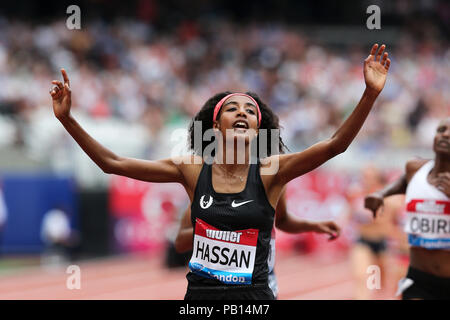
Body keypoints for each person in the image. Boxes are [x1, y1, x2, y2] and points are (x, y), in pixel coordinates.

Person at [50, 43, 390, 300]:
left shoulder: (272, 172)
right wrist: (68, 120)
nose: (242, 113)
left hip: (253, 298)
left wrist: (369, 95)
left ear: (258, 128)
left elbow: (334, 145)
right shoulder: (192, 171)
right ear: (217, 124)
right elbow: (114, 164)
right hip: (200, 298)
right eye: (232, 109)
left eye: (250, 111)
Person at [174, 188, 341, 298]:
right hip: (212, 287)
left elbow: (282, 220)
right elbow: (181, 242)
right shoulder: (206, 186)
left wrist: (313, 225)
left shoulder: (274, 178)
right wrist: (218, 227)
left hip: (259, 285)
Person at [365, 117, 450, 300]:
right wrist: (382, 193)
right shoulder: (415, 168)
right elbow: (404, 181)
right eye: (441, 130)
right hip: (419, 277)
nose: (446, 134)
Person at [347, 165, 395, 299]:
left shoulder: (385, 196)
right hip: (363, 241)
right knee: (361, 277)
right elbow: (349, 215)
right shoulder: (356, 194)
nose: (366, 179)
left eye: (369, 177)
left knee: (383, 284)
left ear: (377, 178)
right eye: (364, 176)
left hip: (382, 243)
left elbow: (384, 219)